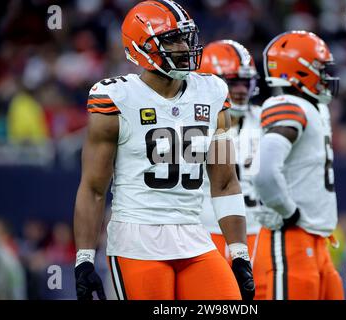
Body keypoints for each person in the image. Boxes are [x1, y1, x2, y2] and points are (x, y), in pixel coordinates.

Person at [73, 0, 254, 300]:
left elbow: (224, 181)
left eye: (186, 38)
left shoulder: (212, 92)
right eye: (173, 40)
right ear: (142, 48)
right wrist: (84, 260)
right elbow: (93, 188)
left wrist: (239, 253)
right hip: (137, 241)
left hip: (194, 237)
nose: (185, 47)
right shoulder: (115, 98)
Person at [253, 31, 344, 300]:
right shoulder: (289, 104)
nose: (326, 75)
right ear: (298, 70)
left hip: (318, 240)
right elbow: (265, 171)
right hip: (292, 238)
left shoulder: (316, 109)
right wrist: (287, 210)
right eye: (319, 68)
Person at [197, 39, 269, 299]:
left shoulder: (269, 120)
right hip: (207, 231)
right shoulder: (192, 122)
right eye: (232, 82)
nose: (239, 90)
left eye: (244, 82)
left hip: (258, 233)